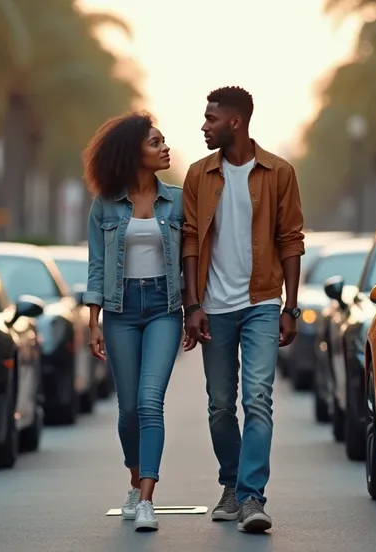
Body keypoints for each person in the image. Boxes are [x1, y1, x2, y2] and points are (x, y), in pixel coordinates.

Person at [181, 86, 305, 533]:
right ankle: (230, 484)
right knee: (219, 405)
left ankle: (252, 497)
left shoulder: (279, 172)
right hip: (213, 307)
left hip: (261, 304)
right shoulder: (199, 175)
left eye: (211, 118)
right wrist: (191, 303)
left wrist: (291, 306)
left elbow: (291, 239)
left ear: (235, 121)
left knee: (257, 400)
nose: (204, 126)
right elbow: (191, 239)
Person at [83, 112, 184, 532]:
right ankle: (133, 480)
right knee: (127, 411)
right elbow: (96, 263)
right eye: (155, 142)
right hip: (119, 311)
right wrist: (93, 320)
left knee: (148, 402)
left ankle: (146, 499)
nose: (165, 148)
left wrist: (194, 309)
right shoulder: (105, 203)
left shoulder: (177, 200)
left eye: (164, 141)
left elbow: (194, 258)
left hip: (164, 306)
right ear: (133, 153)